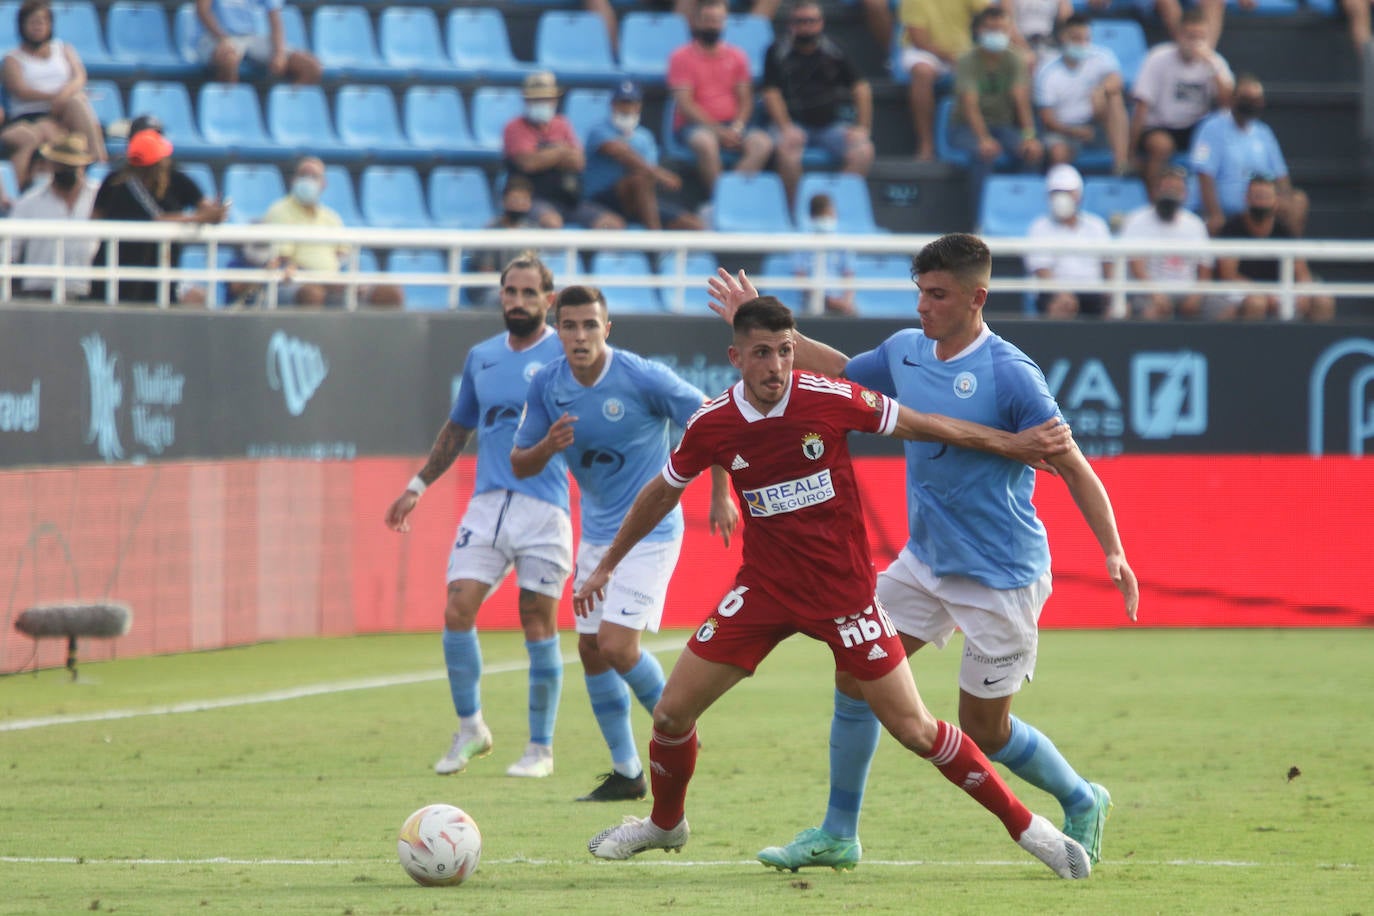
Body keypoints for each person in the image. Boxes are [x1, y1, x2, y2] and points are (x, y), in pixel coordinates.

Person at [580, 296, 1090, 881]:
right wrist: (606, 566)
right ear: (737, 357)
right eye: (763, 353)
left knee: (916, 729)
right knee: (670, 714)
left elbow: (926, 425)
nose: (777, 365)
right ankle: (665, 825)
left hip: (846, 597)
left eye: (786, 351)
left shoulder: (829, 398)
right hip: (764, 591)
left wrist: (1014, 445)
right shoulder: (713, 422)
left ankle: (1034, 832)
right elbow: (663, 491)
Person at [707, 233, 1138, 874]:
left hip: (1001, 576)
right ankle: (838, 833)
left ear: (976, 298)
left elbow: (1070, 463)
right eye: (920, 292)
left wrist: (1115, 551)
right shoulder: (907, 351)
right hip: (924, 563)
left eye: (937, 295)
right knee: (855, 675)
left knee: (986, 730)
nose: (923, 307)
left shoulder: (1011, 374)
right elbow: (840, 372)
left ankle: (1082, 797)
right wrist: (763, 309)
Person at [511, 285, 738, 802]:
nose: (580, 335)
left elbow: (715, 423)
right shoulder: (547, 384)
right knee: (591, 649)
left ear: (606, 329)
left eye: (590, 325)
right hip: (596, 536)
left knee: (616, 644)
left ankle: (681, 731)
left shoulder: (641, 376)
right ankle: (628, 771)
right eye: (569, 326)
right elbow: (520, 461)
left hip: (652, 531)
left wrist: (720, 494)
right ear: (558, 329)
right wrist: (549, 444)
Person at [384, 253, 573, 779]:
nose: (516, 301)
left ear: (548, 301)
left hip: (545, 506)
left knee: (537, 619)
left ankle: (539, 749)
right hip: (488, 502)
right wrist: (417, 485)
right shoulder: (482, 357)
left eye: (528, 293)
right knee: (457, 606)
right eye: (509, 292)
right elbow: (457, 428)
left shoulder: (567, 352)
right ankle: (472, 728)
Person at [87, 129, 230, 305]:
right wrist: (199, 218)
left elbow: (203, 204)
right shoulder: (117, 183)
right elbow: (156, 222)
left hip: (157, 273)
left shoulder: (176, 179)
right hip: (118, 272)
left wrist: (213, 213)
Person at [761, 1, 874, 205]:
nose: (806, 27)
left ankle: (831, 208)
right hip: (792, 124)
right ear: (791, 24)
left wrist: (862, 127)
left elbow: (861, 87)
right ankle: (797, 212)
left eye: (811, 21)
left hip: (828, 126)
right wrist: (786, 127)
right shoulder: (776, 51)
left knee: (863, 151)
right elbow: (771, 93)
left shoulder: (834, 49)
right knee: (787, 153)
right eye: (800, 21)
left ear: (821, 23)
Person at [262, 156, 402, 308]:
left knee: (388, 293)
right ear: (293, 180)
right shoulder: (280, 211)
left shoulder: (331, 217)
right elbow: (283, 260)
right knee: (312, 293)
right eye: (303, 175)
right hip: (293, 282)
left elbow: (343, 257)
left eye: (314, 176)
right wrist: (317, 278)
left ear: (323, 184)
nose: (308, 180)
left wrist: (350, 282)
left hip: (332, 282)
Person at [666, 0, 774, 193]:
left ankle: (730, 196)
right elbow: (685, 104)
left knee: (762, 143)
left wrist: (737, 128)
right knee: (706, 143)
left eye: (717, 20)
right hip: (695, 126)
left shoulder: (738, 56)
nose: (712, 25)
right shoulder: (680, 56)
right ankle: (721, 201)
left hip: (733, 124)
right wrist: (717, 131)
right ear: (696, 22)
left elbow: (746, 99)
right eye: (707, 20)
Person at [947, 6, 1044, 214]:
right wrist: (983, 139)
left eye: (1001, 29)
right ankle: (981, 219)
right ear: (979, 30)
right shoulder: (966, 60)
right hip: (966, 128)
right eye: (991, 29)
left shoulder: (1015, 58)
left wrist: (1029, 136)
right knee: (984, 154)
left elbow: (1021, 100)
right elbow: (970, 105)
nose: (996, 34)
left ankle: (1024, 213)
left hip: (1003, 125)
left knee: (1031, 152)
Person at [2, 0, 106, 189]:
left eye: (42, 22)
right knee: (47, 130)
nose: (38, 27)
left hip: (64, 110)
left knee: (77, 102)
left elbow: (79, 76)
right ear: (22, 25)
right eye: (33, 22)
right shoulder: (12, 58)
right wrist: (53, 97)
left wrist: (64, 94)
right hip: (31, 115)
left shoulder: (64, 49)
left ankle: (99, 164)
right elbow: (20, 89)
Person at [1129, 8, 1233, 198]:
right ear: (1178, 35)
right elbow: (1141, 106)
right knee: (1162, 146)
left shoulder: (1215, 62)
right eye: (1190, 36)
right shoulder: (1158, 58)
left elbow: (1228, 105)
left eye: (1200, 36)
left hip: (1195, 128)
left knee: (1219, 143)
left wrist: (1212, 67)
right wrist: (1132, 149)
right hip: (1160, 126)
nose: (1194, 42)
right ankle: (1155, 201)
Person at [1189, 74, 1308, 237]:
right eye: (1245, 98)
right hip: (1228, 211)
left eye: (1256, 99)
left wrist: (1285, 199)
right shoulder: (1212, 128)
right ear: (1233, 99)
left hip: (1260, 207)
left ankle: (1293, 259)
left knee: (1297, 201)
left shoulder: (1263, 132)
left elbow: (1281, 175)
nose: (1250, 104)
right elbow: (1204, 174)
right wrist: (1215, 214)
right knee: (1215, 223)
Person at [503, 71, 623, 231]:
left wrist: (545, 155)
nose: (542, 103)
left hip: (568, 200)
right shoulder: (514, 127)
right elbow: (529, 163)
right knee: (552, 223)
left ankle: (592, 257)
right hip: (532, 199)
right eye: (537, 99)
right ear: (526, 100)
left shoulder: (562, 124)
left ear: (554, 100)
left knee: (613, 224)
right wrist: (561, 151)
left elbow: (578, 162)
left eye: (546, 99)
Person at [584, 81, 702, 232]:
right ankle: (655, 240)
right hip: (603, 199)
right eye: (623, 103)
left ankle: (668, 252)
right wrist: (660, 174)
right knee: (640, 179)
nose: (627, 108)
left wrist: (654, 175)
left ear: (639, 106)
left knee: (692, 224)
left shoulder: (645, 137)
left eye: (632, 103)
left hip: (638, 201)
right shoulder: (599, 130)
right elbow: (620, 153)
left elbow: (648, 174)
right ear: (613, 105)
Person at [1215, 176, 1333, 322]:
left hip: (1279, 289)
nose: (1261, 202)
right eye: (1257, 197)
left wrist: (1303, 292)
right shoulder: (1232, 229)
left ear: (1275, 201)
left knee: (1323, 301)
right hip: (1241, 290)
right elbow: (1228, 275)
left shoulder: (1284, 231)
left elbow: (1302, 273)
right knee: (1257, 303)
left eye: (1265, 197)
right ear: (1247, 199)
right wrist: (1263, 292)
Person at [7, 131, 99, 301]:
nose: (66, 170)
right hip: (39, 292)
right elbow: (8, 250)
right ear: (52, 165)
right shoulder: (29, 203)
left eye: (71, 166)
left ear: (82, 166)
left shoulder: (98, 198)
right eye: (62, 165)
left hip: (85, 293)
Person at [1034, 14, 1129, 174]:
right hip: (1063, 130)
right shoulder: (1047, 71)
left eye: (1086, 38)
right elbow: (1047, 118)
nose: (1082, 44)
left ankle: (1121, 163)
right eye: (1077, 38)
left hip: (1096, 124)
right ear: (1063, 37)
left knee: (1114, 97)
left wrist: (1101, 90)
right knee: (1058, 153)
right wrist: (1074, 132)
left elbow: (1116, 80)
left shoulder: (1101, 56)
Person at [1118, 164, 1213, 320]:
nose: (1171, 194)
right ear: (1156, 191)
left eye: (1176, 190)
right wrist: (1156, 295)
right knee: (1153, 311)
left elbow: (1205, 267)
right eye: (1167, 188)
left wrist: (1196, 296)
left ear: (1184, 194)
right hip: (1148, 291)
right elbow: (1136, 266)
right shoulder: (1136, 220)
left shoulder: (1195, 224)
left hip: (1187, 290)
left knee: (1225, 310)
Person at [898, 0, 988, 162]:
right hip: (924, 52)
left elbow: (990, 14)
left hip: (961, 52)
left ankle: (985, 136)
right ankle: (926, 144)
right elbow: (919, 39)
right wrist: (950, 57)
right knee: (922, 72)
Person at [1024, 163, 1113, 318]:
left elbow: (1108, 265)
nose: (1062, 197)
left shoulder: (1097, 225)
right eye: (1057, 192)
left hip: (1092, 292)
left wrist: (1112, 296)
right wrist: (1061, 294)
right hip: (1054, 292)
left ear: (1079, 195)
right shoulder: (1039, 227)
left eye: (1067, 192)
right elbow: (1041, 270)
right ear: (1048, 196)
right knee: (1062, 306)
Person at [195, 0, 321, 85]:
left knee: (310, 66)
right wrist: (223, 38)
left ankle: (288, 113)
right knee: (228, 58)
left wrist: (279, 53)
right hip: (214, 37)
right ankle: (228, 112)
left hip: (250, 37)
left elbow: (275, 19)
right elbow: (202, 11)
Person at [789, 192, 857, 316]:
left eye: (830, 213)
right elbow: (800, 278)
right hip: (812, 302)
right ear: (812, 217)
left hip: (841, 304)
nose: (829, 218)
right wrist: (827, 300)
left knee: (854, 314)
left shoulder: (843, 242)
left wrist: (846, 301)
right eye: (823, 215)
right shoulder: (802, 243)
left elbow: (849, 274)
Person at [1003, 0, 1072, 68]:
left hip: (1047, 42)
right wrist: (1026, 48)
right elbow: (1008, 24)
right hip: (1021, 41)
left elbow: (1067, 21)